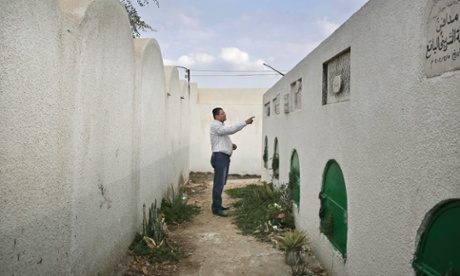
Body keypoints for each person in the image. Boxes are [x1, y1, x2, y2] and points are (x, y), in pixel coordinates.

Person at [210, 107, 254, 217]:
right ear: (216, 116)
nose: (224, 115)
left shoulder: (220, 126)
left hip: (223, 157)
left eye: (224, 113)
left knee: (221, 183)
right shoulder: (216, 126)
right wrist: (245, 122)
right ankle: (216, 208)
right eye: (222, 114)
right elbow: (230, 130)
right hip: (219, 158)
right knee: (218, 184)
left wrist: (230, 145)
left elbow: (221, 140)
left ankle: (218, 205)